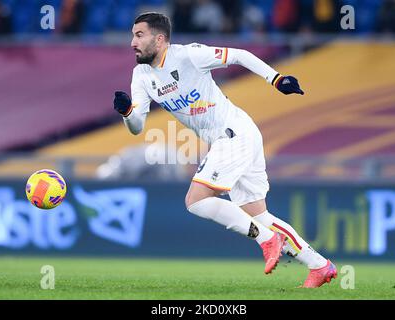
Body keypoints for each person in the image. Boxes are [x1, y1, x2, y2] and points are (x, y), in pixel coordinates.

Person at [113, 12, 337, 287]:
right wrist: (126, 111)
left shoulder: (189, 56)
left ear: (159, 39)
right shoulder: (142, 75)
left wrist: (275, 79)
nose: (132, 42)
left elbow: (240, 55)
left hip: (235, 133)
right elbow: (137, 126)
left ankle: (267, 240)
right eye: (132, 35)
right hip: (234, 137)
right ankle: (320, 266)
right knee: (258, 215)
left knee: (195, 200)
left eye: (139, 35)